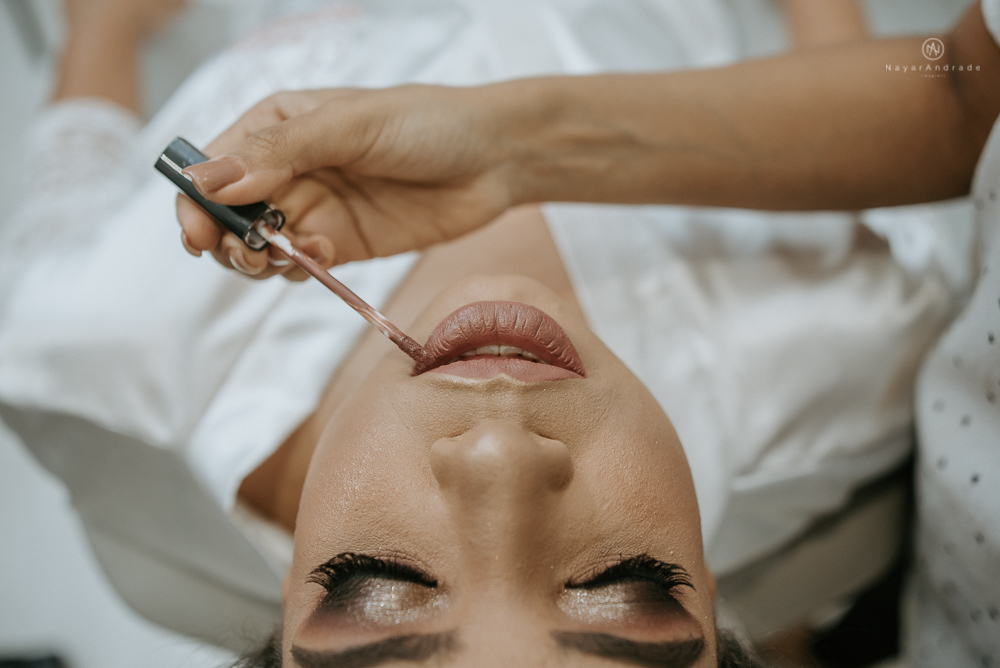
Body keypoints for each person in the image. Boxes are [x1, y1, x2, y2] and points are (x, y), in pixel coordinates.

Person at [0, 0, 957, 666]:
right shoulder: (842, 360)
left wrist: (107, 26)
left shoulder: (89, 343)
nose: (500, 451)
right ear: (712, 596)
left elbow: (69, 189)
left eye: (375, 585)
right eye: (626, 587)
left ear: (280, 614)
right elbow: (948, 92)